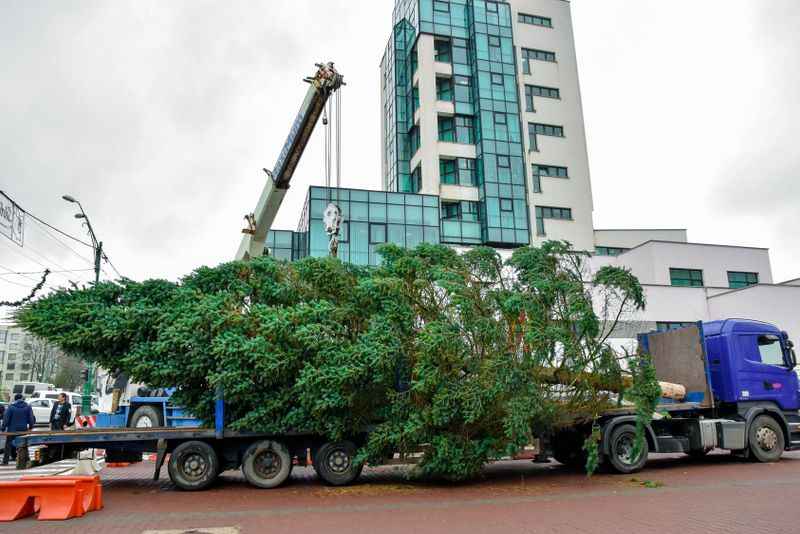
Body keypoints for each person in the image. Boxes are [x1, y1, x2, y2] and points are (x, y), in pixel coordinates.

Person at [1, 394, 35, 465]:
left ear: (15, 399)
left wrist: (2, 428)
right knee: (24, 444)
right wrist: (31, 427)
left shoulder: (11, 407)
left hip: (12, 429)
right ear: (22, 398)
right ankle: (26, 459)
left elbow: (6, 419)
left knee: (8, 444)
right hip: (23, 429)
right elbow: (31, 418)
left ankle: (5, 461)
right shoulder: (27, 406)